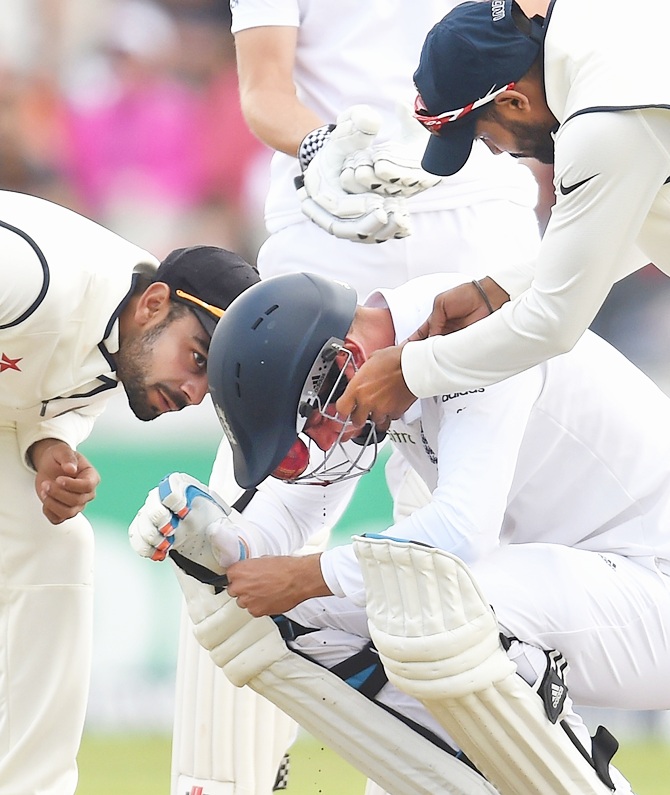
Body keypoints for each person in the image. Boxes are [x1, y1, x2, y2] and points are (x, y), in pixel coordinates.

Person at [166, 3, 545, 793]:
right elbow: (264, 86)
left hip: (482, 228)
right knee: (237, 526)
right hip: (334, 230)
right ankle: (224, 780)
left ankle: (421, 776)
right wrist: (322, 148)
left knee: (459, 551)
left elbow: (541, 46)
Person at [131, 271, 670, 794]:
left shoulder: (471, 333)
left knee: (438, 604)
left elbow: (461, 532)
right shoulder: (359, 362)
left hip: (655, 585)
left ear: (340, 363)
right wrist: (210, 539)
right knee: (281, 623)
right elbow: (293, 515)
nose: (322, 443)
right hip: (598, 583)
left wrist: (305, 574)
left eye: (312, 424)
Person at [0, 188, 259, 795]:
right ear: (154, 303)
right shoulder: (33, 271)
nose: (193, 393)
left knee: (58, 544)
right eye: (197, 359)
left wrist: (47, 446)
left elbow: (31, 395)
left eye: (210, 385)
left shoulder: (123, 344)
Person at [334, 0, 670, 428]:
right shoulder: (600, 28)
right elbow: (625, 226)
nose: (498, 152)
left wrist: (410, 372)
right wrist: (497, 289)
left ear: (513, 102)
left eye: (484, 135)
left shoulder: (602, 124)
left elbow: (552, 323)